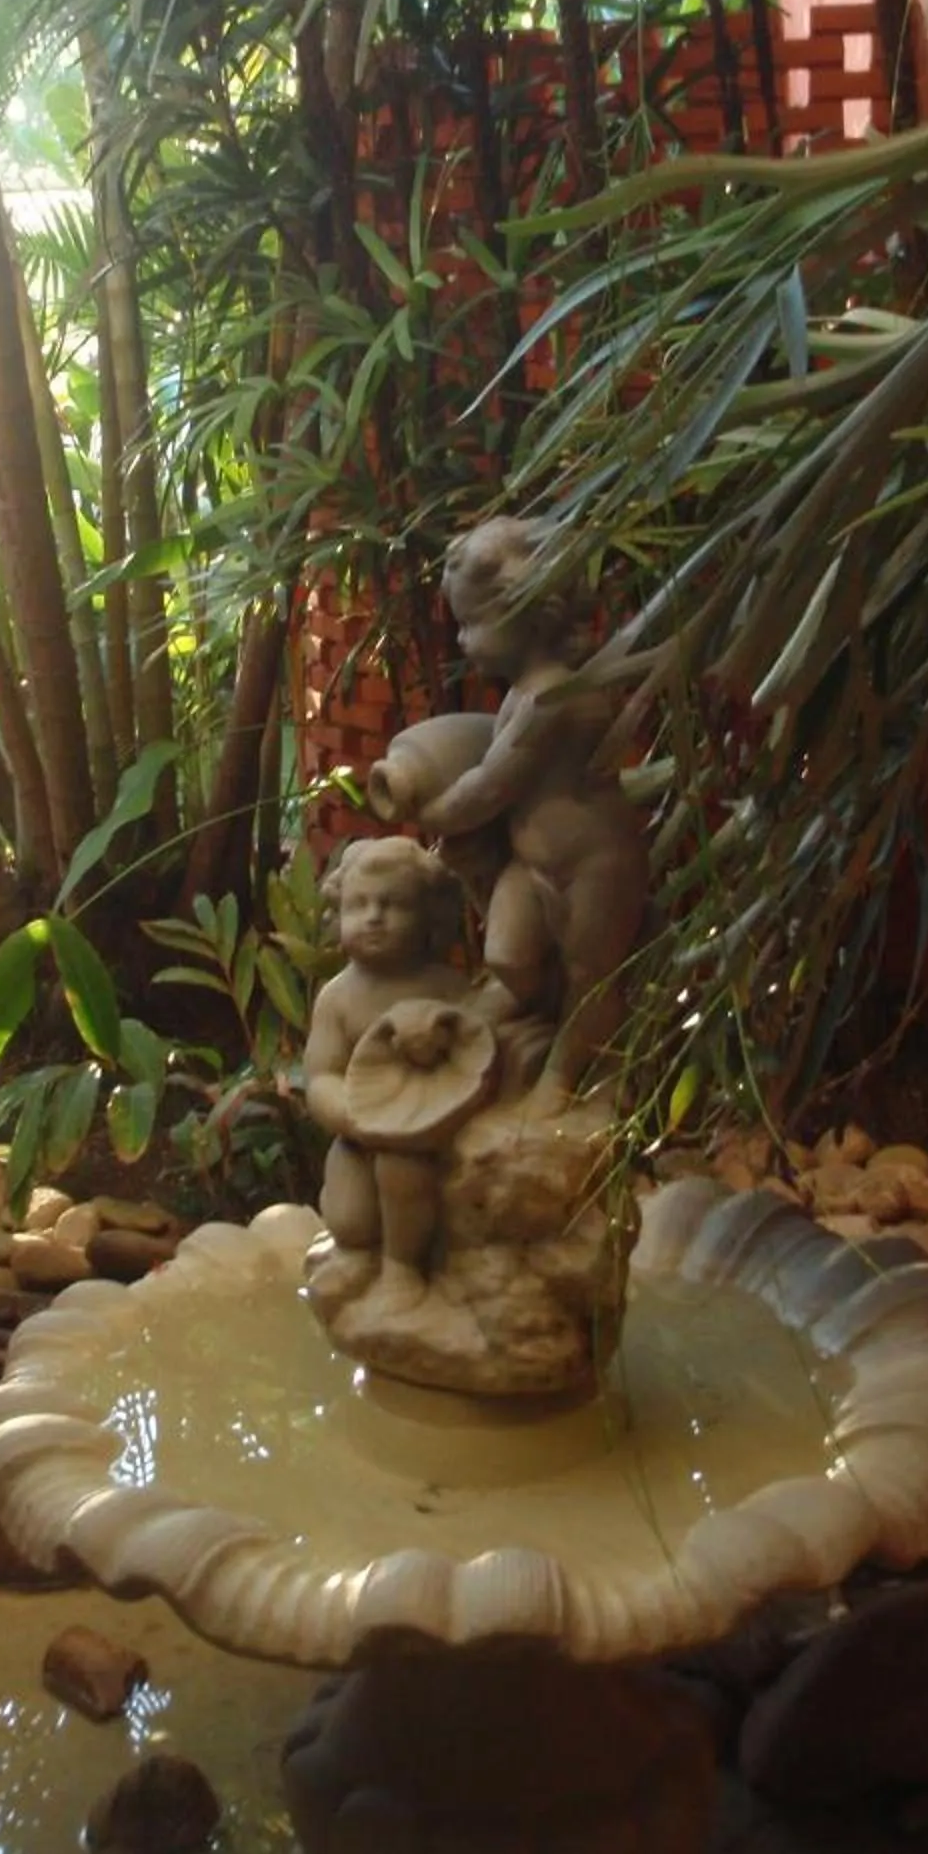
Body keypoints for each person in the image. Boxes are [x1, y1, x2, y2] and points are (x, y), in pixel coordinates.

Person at [408, 517, 650, 1103]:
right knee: (507, 957)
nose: (462, 642)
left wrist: (431, 813)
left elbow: (491, 786)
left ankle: (568, 1077)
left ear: (532, 616)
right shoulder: (523, 690)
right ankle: (545, 1021)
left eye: (472, 625)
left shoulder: (553, 697)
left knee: (593, 979)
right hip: (532, 865)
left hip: (595, 867)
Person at [302, 837, 481, 1294]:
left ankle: (403, 1271)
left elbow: (478, 1056)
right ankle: (361, 1253)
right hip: (358, 1138)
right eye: (358, 905)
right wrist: (349, 1114)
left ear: (430, 918)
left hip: (427, 1137)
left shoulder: (448, 988)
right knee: (351, 1222)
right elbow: (321, 1075)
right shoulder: (337, 998)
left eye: (393, 905)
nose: (374, 917)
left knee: (404, 1172)